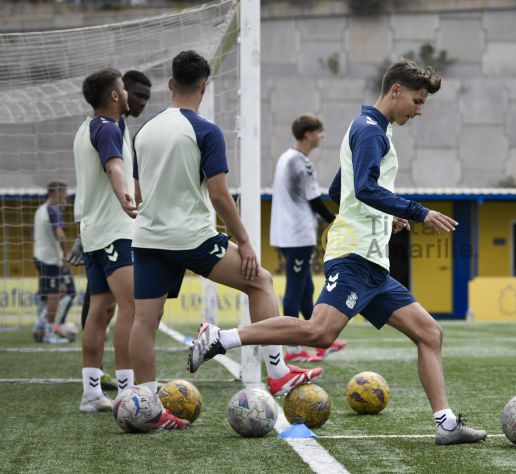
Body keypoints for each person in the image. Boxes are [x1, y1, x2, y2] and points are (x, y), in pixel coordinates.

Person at [189, 59, 488, 446]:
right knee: (319, 332)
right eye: (416, 100)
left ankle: (446, 424)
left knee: (429, 333)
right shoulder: (370, 132)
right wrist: (417, 212)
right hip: (354, 256)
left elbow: (339, 191)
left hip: (373, 262)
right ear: (395, 90)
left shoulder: (371, 129)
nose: (419, 110)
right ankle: (220, 337)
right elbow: (362, 188)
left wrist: (386, 218)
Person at [130, 50, 322, 406]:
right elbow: (219, 195)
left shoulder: (143, 131)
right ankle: (279, 375)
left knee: (144, 320)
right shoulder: (206, 131)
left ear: (171, 84)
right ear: (204, 87)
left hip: (147, 237)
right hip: (190, 236)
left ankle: (142, 402)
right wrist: (245, 241)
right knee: (260, 281)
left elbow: (139, 194)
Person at [68, 69, 152, 391]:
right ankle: (128, 390)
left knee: (101, 309)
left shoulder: (86, 128)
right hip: (115, 232)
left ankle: (91, 392)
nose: (131, 96)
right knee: (133, 307)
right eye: (125, 90)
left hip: (93, 233)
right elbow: (114, 167)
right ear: (116, 95)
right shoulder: (107, 129)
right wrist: (125, 198)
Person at [270, 114, 345, 363]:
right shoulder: (302, 162)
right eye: (319, 131)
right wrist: (338, 222)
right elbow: (315, 203)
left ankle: (320, 341)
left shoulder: (285, 158)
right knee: (294, 289)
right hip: (297, 235)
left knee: (306, 288)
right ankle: (292, 349)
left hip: (285, 234)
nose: (322, 135)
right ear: (307, 134)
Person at [32, 179, 76, 343]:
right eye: (63, 192)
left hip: (40, 256)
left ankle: (41, 323)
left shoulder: (40, 210)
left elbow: (33, 235)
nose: (66, 196)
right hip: (50, 259)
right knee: (55, 295)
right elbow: (61, 235)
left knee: (63, 291)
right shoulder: (52, 210)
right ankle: (49, 333)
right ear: (54, 193)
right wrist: (65, 256)